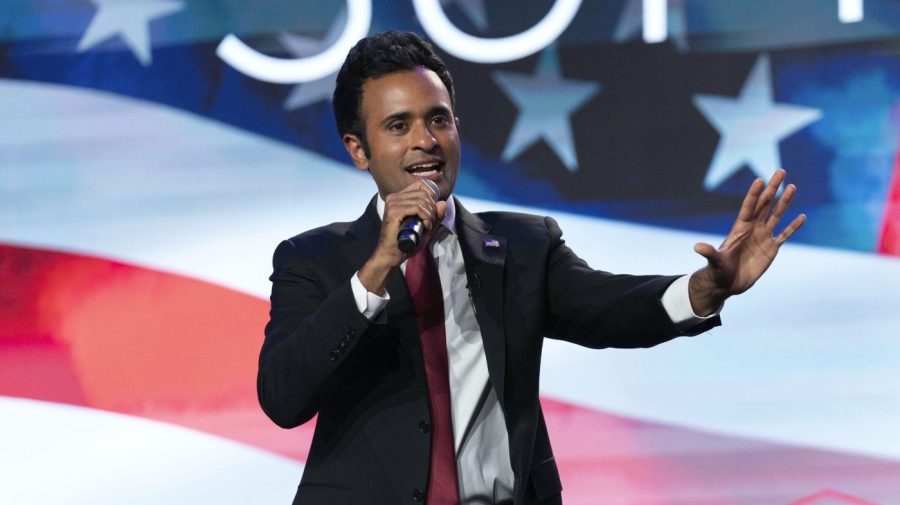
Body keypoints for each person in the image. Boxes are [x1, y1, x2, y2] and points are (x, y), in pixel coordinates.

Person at [258, 31, 805, 505]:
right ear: (359, 149)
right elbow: (284, 398)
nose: (425, 140)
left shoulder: (521, 245)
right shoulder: (313, 260)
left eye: (438, 119)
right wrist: (378, 266)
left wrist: (707, 288)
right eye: (398, 125)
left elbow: (610, 309)